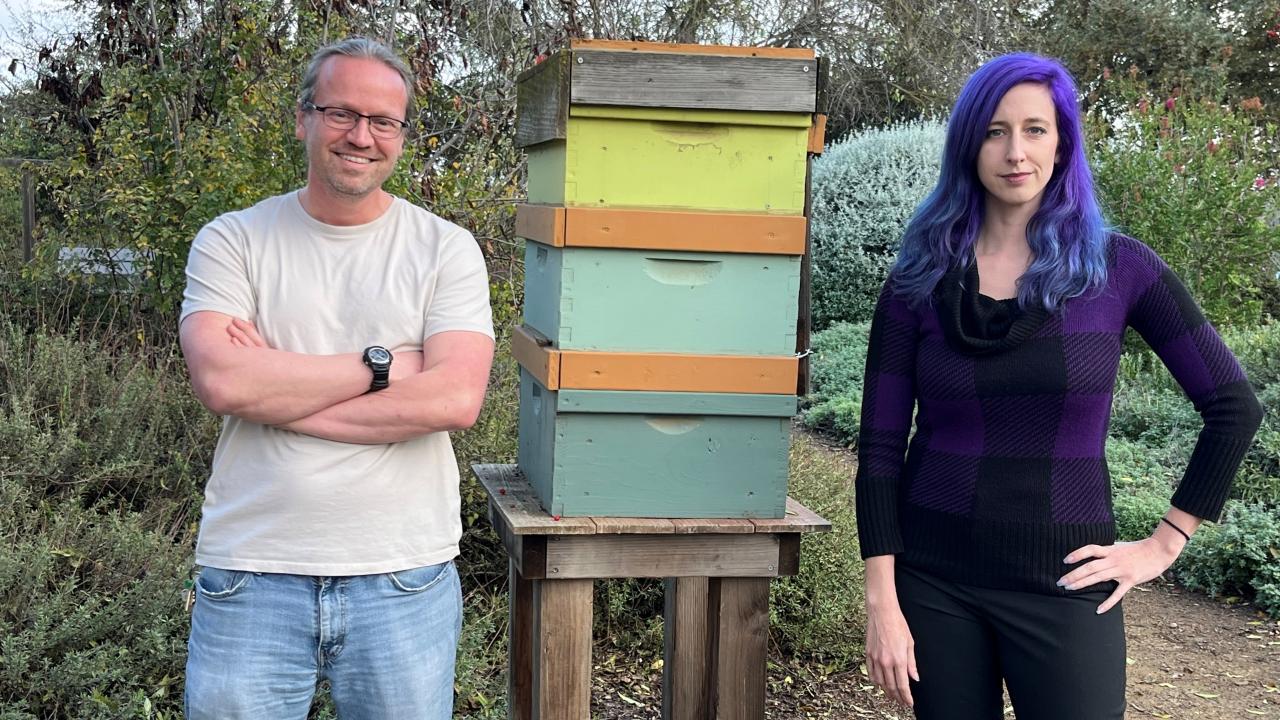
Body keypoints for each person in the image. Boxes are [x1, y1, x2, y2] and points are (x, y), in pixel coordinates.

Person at [855, 53, 1263, 720]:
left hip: (1067, 583)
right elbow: (877, 450)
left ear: (1063, 141)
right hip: (933, 584)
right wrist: (883, 603)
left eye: (1035, 129)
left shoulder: (1119, 268)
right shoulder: (916, 281)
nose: (1015, 151)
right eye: (994, 131)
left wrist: (1163, 545)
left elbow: (1232, 406)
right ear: (968, 145)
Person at [178, 37, 495, 719]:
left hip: (403, 577)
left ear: (403, 135)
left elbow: (454, 397)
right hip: (253, 573)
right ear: (304, 118)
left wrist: (280, 396)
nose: (362, 136)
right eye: (342, 113)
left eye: (384, 121)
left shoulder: (445, 249)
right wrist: (382, 367)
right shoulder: (233, 240)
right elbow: (225, 383)